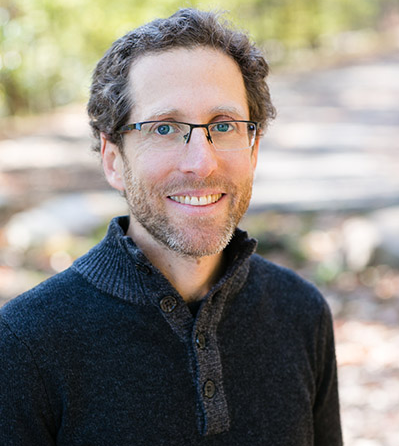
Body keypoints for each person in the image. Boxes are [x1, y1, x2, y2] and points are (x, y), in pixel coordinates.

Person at [0, 8, 342, 446]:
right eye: (164, 127)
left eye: (224, 125)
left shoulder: (302, 313)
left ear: (253, 149)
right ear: (112, 160)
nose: (201, 162)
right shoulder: (25, 344)